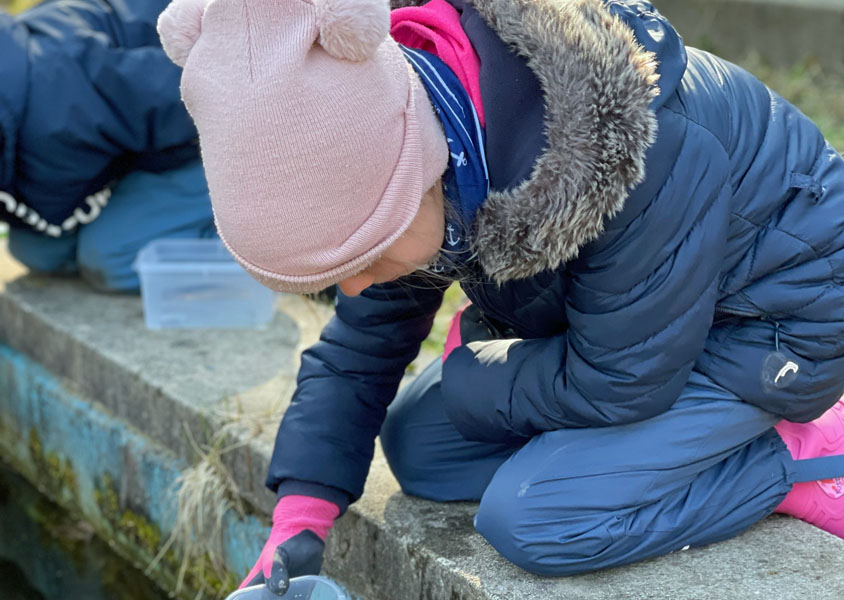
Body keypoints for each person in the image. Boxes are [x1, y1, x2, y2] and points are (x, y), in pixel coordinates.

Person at [158, 0, 844, 594]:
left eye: (361, 258)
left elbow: (622, 383)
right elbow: (362, 348)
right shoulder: (422, 138)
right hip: (639, 329)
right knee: (419, 448)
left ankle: (795, 458)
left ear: (411, 180)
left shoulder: (630, 149)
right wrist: (300, 518)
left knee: (537, 519)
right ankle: (672, 449)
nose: (354, 286)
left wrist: (472, 373)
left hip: (772, 324)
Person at [0, 0, 215, 293]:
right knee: (38, 251)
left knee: (113, 256)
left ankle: (263, 254)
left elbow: (193, 97)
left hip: (206, 131)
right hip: (113, 150)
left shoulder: (64, 101)